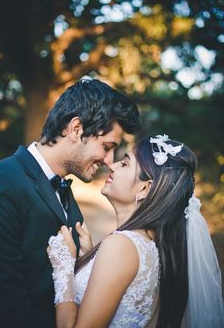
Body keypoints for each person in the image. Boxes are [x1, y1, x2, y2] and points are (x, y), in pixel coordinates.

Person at [0, 77, 141, 328]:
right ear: (76, 129)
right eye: (106, 146)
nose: (109, 159)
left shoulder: (66, 194)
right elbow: (2, 306)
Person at [48, 134, 224, 328]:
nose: (112, 165)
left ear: (144, 189)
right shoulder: (150, 246)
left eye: (124, 163)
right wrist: (91, 258)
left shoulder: (121, 246)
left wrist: (63, 267)